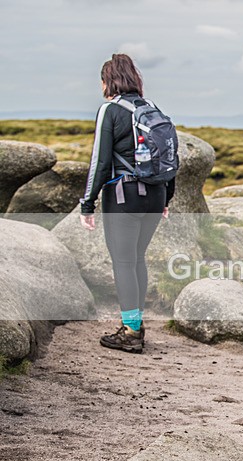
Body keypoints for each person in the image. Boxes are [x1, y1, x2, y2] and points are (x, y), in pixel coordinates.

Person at [79, 54, 174, 354]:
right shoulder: (151, 109)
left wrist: (87, 203)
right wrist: (166, 198)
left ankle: (131, 331)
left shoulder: (110, 109)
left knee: (123, 261)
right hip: (156, 194)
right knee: (137, 259)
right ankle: (136, 324)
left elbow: (100, 161)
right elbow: (168, 156)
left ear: (108, 80)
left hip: (124, 195)